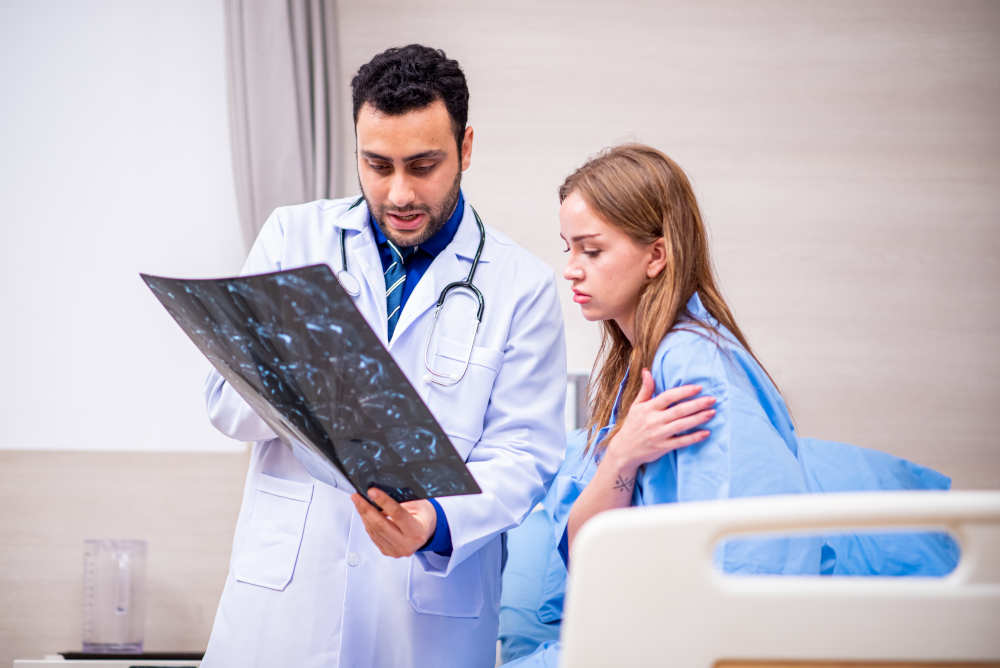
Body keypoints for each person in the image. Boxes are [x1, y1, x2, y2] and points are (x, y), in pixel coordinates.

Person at [199, 45, 569, 668]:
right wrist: (305, 377)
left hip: (425, 618)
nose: (399, 192)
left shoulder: (521, 285)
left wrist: (434, 523)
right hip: (286, 604)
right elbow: (224, 407)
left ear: (466, 148)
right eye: (377, 164)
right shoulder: (294, 239)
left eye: (424, 164)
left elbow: (524, 454)